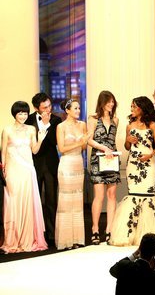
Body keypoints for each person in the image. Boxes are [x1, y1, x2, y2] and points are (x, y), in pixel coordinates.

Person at [110, 97, 155, 246]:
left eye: (134, 107)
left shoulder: (152, 125)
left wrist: (149, 155)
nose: (132, 109)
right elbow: (127, 147)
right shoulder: (129, 125)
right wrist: (128, 140)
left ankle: (147, 235)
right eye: (131, 106)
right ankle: (129, 234)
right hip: (133, 164)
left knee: (148, 196)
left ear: (142, 108)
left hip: (148, 163)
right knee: (133, 195)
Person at [1, 101, 48, 253]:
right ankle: (12, 240)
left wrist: (40, 139)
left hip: (28, 171)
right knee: (12, 205)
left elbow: (34, 150)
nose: (22, 116)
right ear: (14, 113)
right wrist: (3, 170)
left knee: (28, 204)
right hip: (13, 172)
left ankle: (28, 239)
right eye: (20, 113)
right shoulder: (7, 130)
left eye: (25, 113)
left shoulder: (31, 129)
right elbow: (3, 153)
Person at [25, 92, 61, 247]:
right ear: (36, 108)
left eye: (49, 106)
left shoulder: (56, 119)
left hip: (51, 163)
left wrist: (47, 125)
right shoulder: (29, 119)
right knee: (35, 200)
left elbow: (54, 142)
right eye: (44, 107)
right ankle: (36, 234)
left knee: (52, 201)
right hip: (33, 164)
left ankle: (52, 235)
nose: (48, 109)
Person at [87, 90, 120, 245]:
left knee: (112, 195)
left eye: (113, 102)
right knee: (99, 196)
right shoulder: (93, 119)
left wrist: (112, 151)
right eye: (108, 101)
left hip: (112, 160)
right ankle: (95, 229)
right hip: (97, 160)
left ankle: (109, 230)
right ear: (102, 102)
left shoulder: (116, 120)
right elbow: (89, 140)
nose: (111, 104)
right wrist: (103, 148)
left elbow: (113, 142)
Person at [55, 98, 88, 250]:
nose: (78, 111)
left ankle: (77, 239)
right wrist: (80, 143)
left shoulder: (83, 125)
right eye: (75, 108)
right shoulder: (60, 127)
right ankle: (65, 240)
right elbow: (61, 149)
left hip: (78, 163)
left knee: (77, 201)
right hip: (66, 164)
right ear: (67, 110)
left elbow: (85, 146)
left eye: (79, 108)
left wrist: (83, 143)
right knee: (66, 202)